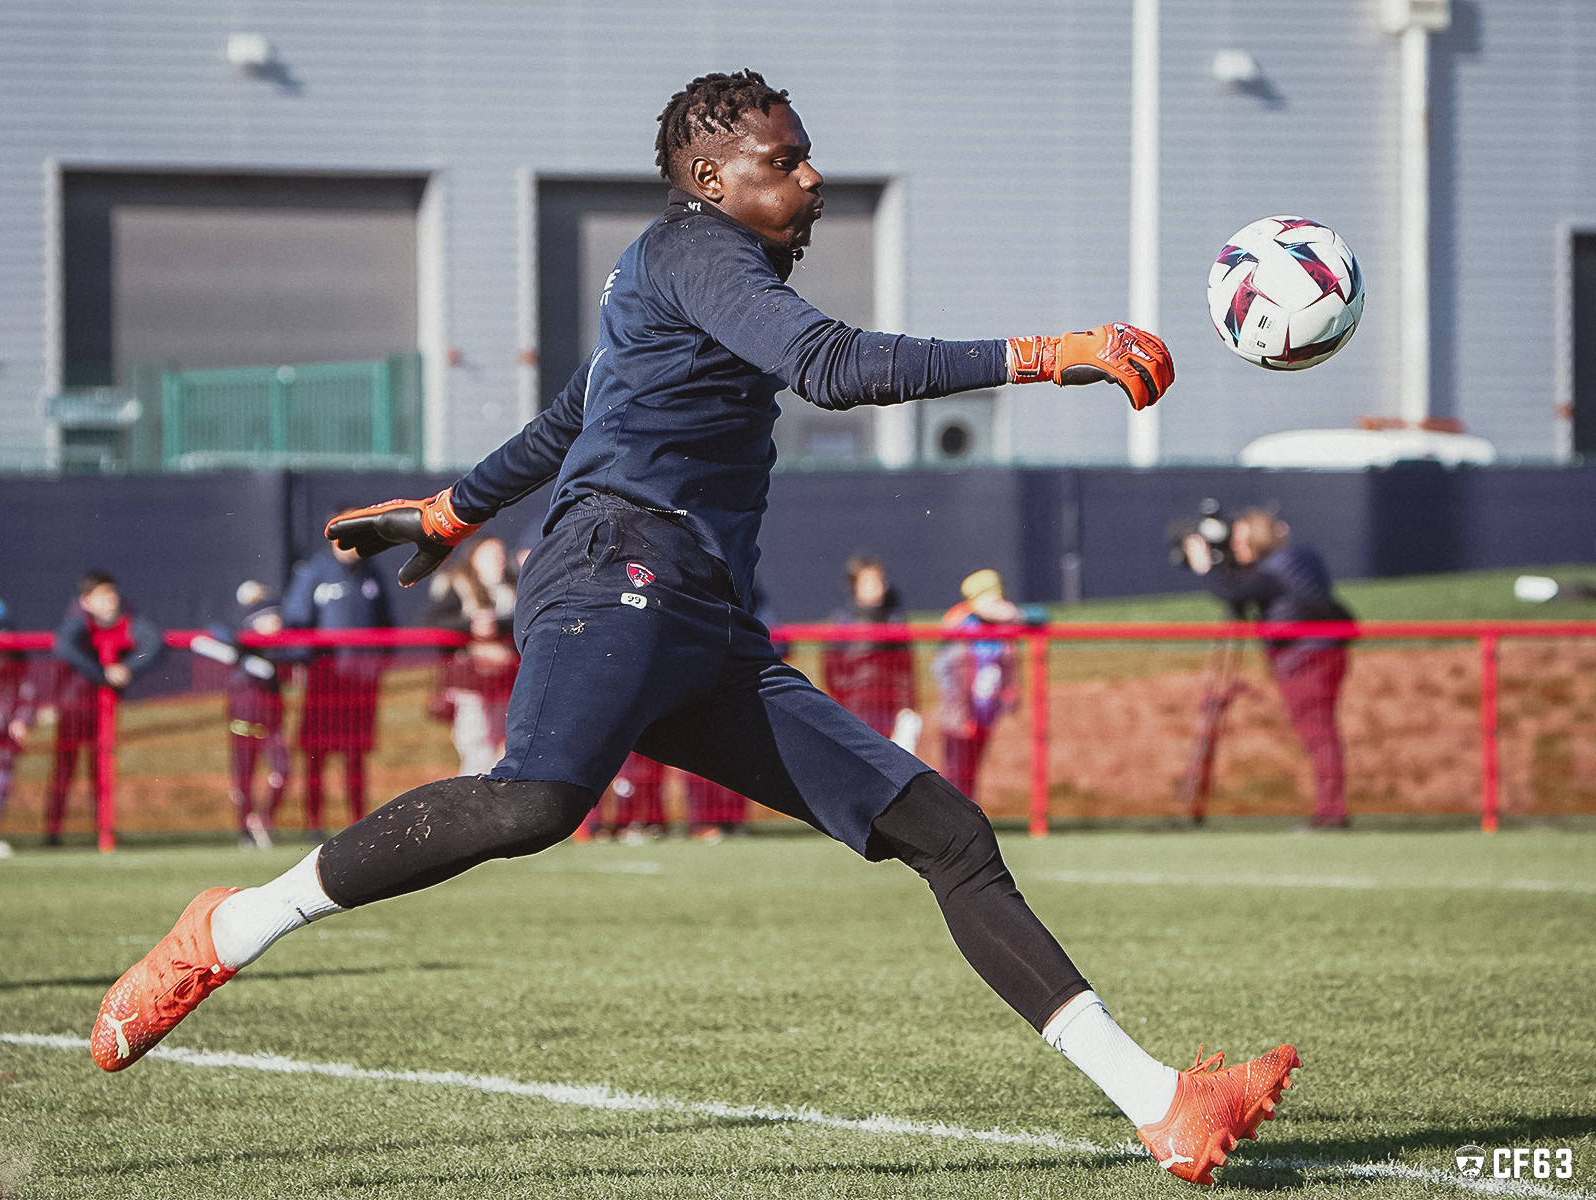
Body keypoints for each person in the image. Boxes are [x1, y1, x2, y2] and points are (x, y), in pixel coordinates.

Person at [94, 71, 1295, 1187]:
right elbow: (825, 368)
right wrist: (1049, 355)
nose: (812, 179)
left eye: (810, 158)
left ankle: (1160, 1105)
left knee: (945, 831)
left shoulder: (669, 272)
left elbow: (578, 407)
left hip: (702, 615)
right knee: (531, 804)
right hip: (617, 564)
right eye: (787, 160)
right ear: (713, 180)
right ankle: (229, 926)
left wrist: (453, 508)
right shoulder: (695, 248)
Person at [1182, 508, 1354, 829]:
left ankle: (1331, 812)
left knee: (1318, 734)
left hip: (1304, 659)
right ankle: (1331, 809)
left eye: (1239, 540)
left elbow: (1231, 591)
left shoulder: (1273, 572)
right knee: (1322, 733)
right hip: (1325, 652)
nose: (1234, 547)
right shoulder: (1299, 560)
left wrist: (1205, 566)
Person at [282, 529, 393, 840]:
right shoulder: (315, 572)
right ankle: (312, 822)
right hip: (324, 680)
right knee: (316, 754)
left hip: (360, 682)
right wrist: (302, 661)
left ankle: (357, 822)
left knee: (355, 754)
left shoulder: (371, 573)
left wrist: (378, 663)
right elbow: (296, 619)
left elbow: (387, 624)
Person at [46, 571, 161, 845]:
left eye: (112, 595)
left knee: (103, 768)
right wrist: (103, 673)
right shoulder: (78, 625)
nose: (111, 601)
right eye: (102, 596)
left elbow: (153, 643)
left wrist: (126, 668)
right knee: (65, 769)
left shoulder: (128, 622)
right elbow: (65, 647)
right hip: (75, 707)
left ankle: (104, 832)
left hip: (105, 710)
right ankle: (53, 831)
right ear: (86, 601)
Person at [424, 536, 519, 776]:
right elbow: (436, 620)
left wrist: (496, 624)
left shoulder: (511, 588)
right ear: (474, 558)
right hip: (471, 680)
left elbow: (523, 620)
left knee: (504, 744)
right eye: (489, 555)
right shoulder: (458, 584)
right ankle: (472, 803)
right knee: (475, 743)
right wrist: (472, 625)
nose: (497, 561)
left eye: (499, 555)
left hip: (506, 680)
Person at [215, 582, 295, 849]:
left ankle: (264, 819)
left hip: (272, 722)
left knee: (282, 770)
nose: (275, 622)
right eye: (267, 617)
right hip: (243, 720)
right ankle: (245, 831)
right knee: (243, 778)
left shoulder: (282, 649)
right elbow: (215, 634)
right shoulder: (238, 643)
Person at [933, 569, 1022, 800]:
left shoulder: (1000, 628)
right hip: (960, 713)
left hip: (985, 711)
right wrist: (961, 713)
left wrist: (1011, 692)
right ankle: (951, 815)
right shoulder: (962, 624)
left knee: (972, 768)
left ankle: (968, 812)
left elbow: (1017, 618)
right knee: (955, 769)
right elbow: (950, 674)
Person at [821, 555, 919, 749]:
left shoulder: (894, 619)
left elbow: (904, 668)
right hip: (854, 707)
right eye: (869, 582)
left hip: (888, 706)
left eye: (880, 580)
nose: (878, 586)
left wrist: (907, 705)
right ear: (854, 585)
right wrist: (844, 698)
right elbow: (832, 667)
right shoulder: (843, 621)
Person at [0, 599, 37, 858]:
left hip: (3, 742)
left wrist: (22, 719)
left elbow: (26, 698)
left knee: (0, 785)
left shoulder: (17, 668)